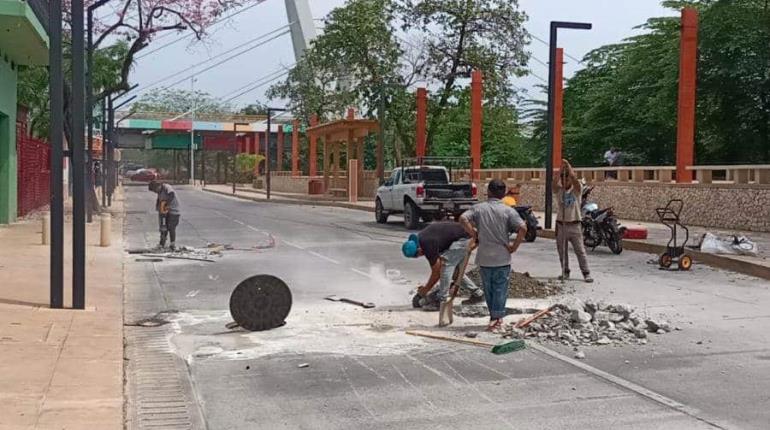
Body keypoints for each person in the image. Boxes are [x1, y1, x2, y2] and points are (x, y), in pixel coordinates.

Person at [460, 179, 527, 331]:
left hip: (484, 257)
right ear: (503, 194)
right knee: (500, 289)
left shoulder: (478, 208)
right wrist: (514, 247)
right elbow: (523, 228)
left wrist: (474, 234)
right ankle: (497, 318)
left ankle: (493, 318)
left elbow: (463, 218)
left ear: (488, 192)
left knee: (488, 289)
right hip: (502, 257)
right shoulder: (508, 210)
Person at [402, 222, 485, 311]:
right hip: (465, 237)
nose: (420, 256)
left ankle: (441, 301)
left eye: (417, 255)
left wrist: (424, 291)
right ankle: (478, 294)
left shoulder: (427, 244)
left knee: (446, 267)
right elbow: (437, 269)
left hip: (463, 238)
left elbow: (437, 272)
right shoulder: (422, 239)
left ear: (418, 250)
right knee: (453, 271)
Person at [553, 160, 593, 283]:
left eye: (567, 179)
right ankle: (565, 271)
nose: (565, 182)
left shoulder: (576, 191)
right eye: (563, 179)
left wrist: (569, 168)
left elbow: (576, 182)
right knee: (562, 251)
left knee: (580, 250)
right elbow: (553, 184)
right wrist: (560, 170)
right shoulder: (559, 191)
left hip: (574, 224)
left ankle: (586, 273)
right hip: (561, 224)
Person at [148, 180, 181, 250]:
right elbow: (159, 200)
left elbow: (171, 194)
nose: (155, 192)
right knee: (163, 228)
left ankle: (172, 244)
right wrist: (159, 208)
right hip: (164, 212)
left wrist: (167, 205)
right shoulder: (159, 192)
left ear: (158, 186)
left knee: (171, 227)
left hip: (173, 211)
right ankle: (161, 244)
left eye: (155, 190)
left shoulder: (166, 187)